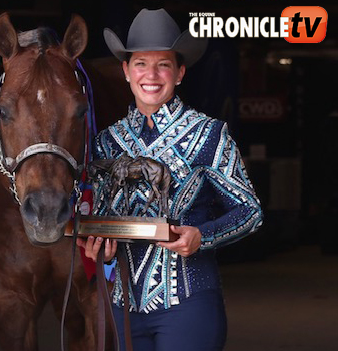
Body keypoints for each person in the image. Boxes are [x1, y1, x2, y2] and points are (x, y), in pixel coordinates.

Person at [77, 8, 263, 351]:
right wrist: (101, 251)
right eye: (140, 64)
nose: (151, 74)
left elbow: (250, 211)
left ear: (179, 73)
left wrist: (201, 237)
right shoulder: (106, 142)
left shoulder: (210, 135)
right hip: (122, 308)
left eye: (163, 64)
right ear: (126, 72)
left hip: (189, 308)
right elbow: (103, 220)